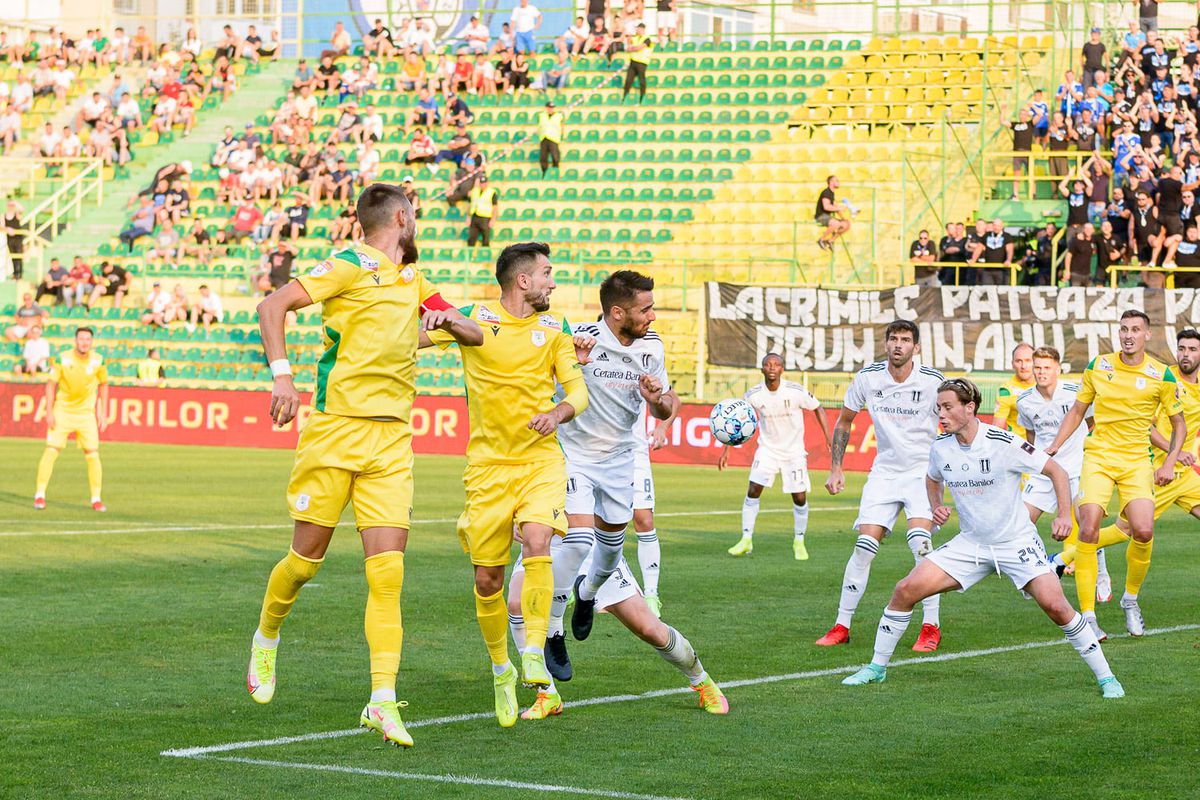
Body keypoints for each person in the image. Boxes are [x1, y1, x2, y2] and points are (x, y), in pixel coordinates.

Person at [244, 184, 482, 749]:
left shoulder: (416, 282)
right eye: (416, 216)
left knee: (388, 575)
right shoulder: (350, 263)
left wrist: (447, 325)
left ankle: (381, 699)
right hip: (334, 432)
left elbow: (471, 331)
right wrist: (283, 376)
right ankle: (267, 634)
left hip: (392, 442)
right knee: (305, 563)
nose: (418, 223)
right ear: (402, 218)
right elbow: (271, 305)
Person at [840, 379, 1125, 700]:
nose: (941, 414)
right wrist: (936, 506)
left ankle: (1107, 678)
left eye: (948, 407)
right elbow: (932, 477)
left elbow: (1056, 470)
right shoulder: (940, 447)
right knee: (904, 590)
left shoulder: (1002, 441)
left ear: (970, 407)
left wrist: (1062, 514)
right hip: (970, 544)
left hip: (1017, 543)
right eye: (939, 408)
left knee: (1057, 607)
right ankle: (876, 668)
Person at [423, 241, 589, 728]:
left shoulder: (555, 327)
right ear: (523, 281)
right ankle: (502, 671)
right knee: (487, 580)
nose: (553, 282)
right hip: (487, 471)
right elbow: (410, 339)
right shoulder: (474, 318)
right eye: (547, 274)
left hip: (539, 461)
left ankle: (533, 653)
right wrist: (428, 320)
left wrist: (558, 411)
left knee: (539, 539)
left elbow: (577, 389)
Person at [544, 272, 680, 683]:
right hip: (575, 456)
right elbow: (536, 380)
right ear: (617, 312)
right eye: (645, 309)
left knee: (609, 550)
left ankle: (586, 595)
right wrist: (571, 359)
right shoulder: (579, 337)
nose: (652, 316)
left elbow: (667, 405)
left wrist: (657, 400)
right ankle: (553, 630)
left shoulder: (652, 347)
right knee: (579, 538)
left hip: (622, 460)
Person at [1045, 309, 1185, 640]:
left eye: (1135, 329)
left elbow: (1178, 424)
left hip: (1137, 461)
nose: (1128, 335)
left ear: (1147, 335)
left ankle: (1130, 600)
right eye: (1123, 329)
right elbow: (1078, 411)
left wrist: (1168, 462)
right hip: (1098, 457)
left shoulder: (1161, 375)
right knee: (1089, 526)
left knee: (1144, 530)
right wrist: (1054, 446)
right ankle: (1088, 616)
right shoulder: (1099, 365)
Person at [819, 320, 946, 651]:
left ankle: (931, 627)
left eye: (905, 340)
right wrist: (836, 468)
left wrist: (949, 476)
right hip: (885, 473)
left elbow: (953, 423)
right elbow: (845, 421)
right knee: (864, 547)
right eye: (893, 339)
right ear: (886, 343)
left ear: (916, 347)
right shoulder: (868, 377)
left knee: (921, 546)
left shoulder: (933, 382)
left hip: (923, 473)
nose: (898, 345)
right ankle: (841, 625)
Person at [505, 536, 728, 720]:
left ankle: (701, 680)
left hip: (591, 548)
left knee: (648, 628)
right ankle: (547, 693)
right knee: (517, 604)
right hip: (546, 545)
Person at [1017, 347, 1113, 604]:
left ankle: (1101, 575)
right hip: (1045, 470)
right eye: (1037, 367)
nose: (1041, 372)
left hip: (1077, 467)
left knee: (1086, 523)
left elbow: (1091, 424)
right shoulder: (1024, 400)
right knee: (1021, 523)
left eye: (1047, 368)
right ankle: (1040, 571)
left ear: (1058, 369)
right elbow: (1031, 437)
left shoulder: (1075, 394)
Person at [720, 353, 832, 561]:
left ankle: (799, 541)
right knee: (753, 489)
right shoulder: (753, 395)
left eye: (776, 364)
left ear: (782, 369)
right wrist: (727, 449)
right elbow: (735, 423)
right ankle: (746, 539)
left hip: (794, 452)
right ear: (761, 369)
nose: (772, 367)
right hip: (768, 450)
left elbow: (818, 408)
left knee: (799, 496)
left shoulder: (795, 391)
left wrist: (828, 437)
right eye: (767, 364)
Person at [34, 327, 109, 512]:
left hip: (86, 413)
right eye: (81, 339)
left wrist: (103, 411)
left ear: (91, 342)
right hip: (63, 411)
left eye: (87, 339)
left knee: (92, 454)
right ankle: (39, 495)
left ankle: (96, 499)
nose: (84, 342)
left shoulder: (99, 360)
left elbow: (104, 385)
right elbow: (51, 384)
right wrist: (49, 412)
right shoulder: (62, 358)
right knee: (51, 450)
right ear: (75, 341)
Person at [815, 175, 850, 251]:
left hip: (827, 216)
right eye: (836, 180)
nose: (838, 182)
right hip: (820, 216)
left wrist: (845, 219)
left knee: (846, 225)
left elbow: (836, 208)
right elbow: (826, 207)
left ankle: (830, 241)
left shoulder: (831, 194)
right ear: (831, 182)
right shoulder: (826, 192)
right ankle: (821, 240)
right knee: (836, 224)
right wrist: (840, 207)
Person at [622, 23, 653, 103]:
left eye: (639, 29)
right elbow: (628, 46)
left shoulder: (647, 39)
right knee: (628, 80)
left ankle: (642, 97)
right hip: (633, 61)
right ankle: (625, 97)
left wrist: (633, 48)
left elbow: (639, 48)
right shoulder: (635, 38)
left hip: (642, 62)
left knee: (642, 80)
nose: (637, 30)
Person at [467, 175, 499, 247]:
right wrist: (468, 217)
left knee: (485, 239)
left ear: (487, 183)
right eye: (481, 183)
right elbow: (470, 204)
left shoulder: (492, 192)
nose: (482, 184)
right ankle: (470, 257)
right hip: (474, 217)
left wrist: (493, 219)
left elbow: (495, 207)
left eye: (484, 183)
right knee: (471, 239)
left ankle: (485, 256)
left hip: (485, 218)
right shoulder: (474, 191)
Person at [536, 101, 563, 175]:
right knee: (543, 157)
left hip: (554, 138)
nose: (551, 109)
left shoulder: (558, 115)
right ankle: (544, 172)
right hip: (544, 137)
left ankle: (555, 171)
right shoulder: (541, 115)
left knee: (555, 156)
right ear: (546, 108)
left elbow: (561, 126)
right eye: (549, 107)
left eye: (552, 108)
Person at [4, 200, 25, 279]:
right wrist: (7, 229)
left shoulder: (17, 215)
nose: (11, 207)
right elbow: (1, 226)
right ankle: (15, 274)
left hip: (18, 238)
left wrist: (16, 202)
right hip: (10, 238)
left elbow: (22, 210)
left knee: (19, 255)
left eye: (12, 206)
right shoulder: (3, 216)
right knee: (13, 256)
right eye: (10, 206)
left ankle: (19, 273)